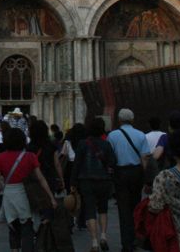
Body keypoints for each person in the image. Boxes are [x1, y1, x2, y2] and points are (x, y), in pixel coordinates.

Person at [0, 127, 53, 252]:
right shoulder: (30, 156)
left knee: (13, 228)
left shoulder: (0, 158)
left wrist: (2, 190)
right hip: (25, 194)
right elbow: (41, 179)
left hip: (9, 193)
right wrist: (51, 198)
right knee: (27, 228)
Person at [107, 108, 151, 252]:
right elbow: (145, 158)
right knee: (136, 206)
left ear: (119, 120)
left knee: (123, 208)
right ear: (132, 120)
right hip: (136, 172)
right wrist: (145, 178)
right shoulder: (140, 135)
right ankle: (135, 240)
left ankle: (126, 244)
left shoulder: (112, 136)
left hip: (120, 173)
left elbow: (109, 157)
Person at [73, 117, 116, 252]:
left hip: (86, 180)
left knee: (90, 210)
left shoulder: (82, 144)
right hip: (103, 180)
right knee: (103, 209)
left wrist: (72, 183)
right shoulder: (106, 144)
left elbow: (77, 164)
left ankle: (94, 242)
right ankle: (103, 236)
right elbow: (112, 162)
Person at [28, 120, 72, 252]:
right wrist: (61, 179)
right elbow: (57, 164)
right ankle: (46, 231)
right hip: (49, 180)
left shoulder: (29, 147)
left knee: (36, 207)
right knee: (49, 204)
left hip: (34, 181)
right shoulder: (51, 146)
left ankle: (38, 230)